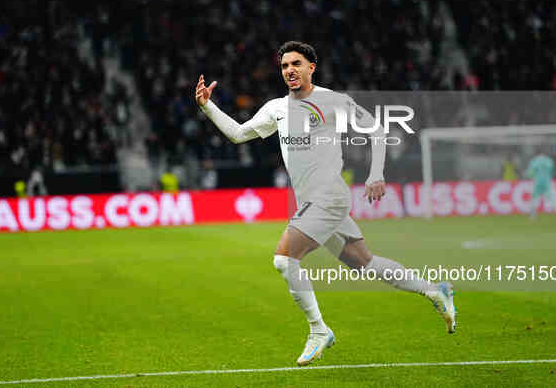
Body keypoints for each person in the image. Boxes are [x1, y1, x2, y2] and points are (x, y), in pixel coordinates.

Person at [195, 41, 456, 366]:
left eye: (296, 64)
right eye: (284, 66)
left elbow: (376, 130)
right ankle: (435, 291)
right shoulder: (276, 108)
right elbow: (238, 133)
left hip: (329, 196)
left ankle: (319, 331)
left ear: (311, 68)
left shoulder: (333, 102)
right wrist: (208, 107)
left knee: (284, 260)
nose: (290, 70)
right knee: (365, 263)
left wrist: (376, 174)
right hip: (311, 201)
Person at [525, 149, 555, 218]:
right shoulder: (548, 160)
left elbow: (530, 172)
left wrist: (530, 177)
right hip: (547, 181)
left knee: (534, 197)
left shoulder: (534, 160)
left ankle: (532, 214)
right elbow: (551, 170)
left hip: (537, 181)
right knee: (550, 196)